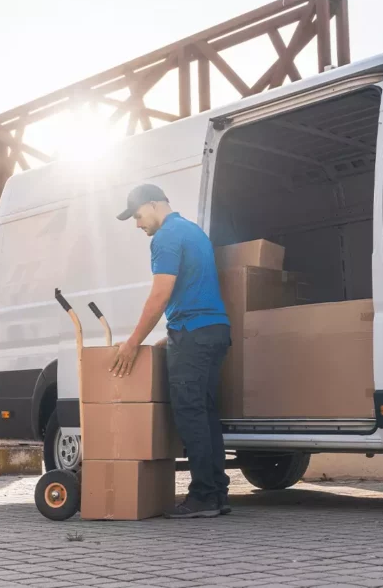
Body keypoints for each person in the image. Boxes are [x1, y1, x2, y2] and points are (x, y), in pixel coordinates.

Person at [111, 183, 232, 519]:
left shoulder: (164, 238)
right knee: (205, 415)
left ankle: (204, 496)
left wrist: (133, 342)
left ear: (153, 205)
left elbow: (160, 295)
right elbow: (195, 290)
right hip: (213, 330)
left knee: (190, 415)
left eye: (137, 216)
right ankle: (217, 494)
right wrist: (172, 332)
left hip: (194, 335)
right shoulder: (193, 231)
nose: (138, 225)